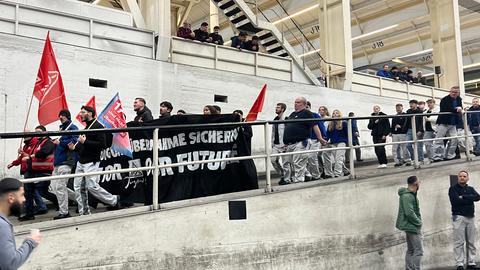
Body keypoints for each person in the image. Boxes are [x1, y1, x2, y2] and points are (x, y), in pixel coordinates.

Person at [68, 106, 120, 215]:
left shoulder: (98, 126)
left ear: (90, 113)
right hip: (81, 162)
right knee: (78, 187)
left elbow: (102, 145)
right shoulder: (86, 128)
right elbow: (83, 146)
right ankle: (84, 212)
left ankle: (114, 200)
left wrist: (85, 141)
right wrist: (75, 148)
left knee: (92, 186)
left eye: (83, 112)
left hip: (91, 161)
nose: (80, 114)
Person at [281, 97, 326, 185]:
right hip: (291, 144)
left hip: (301, 142)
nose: (295, 104)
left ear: (304, 104)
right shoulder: (292, 114)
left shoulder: (307, 112)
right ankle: (306, 175)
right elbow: (289, 128)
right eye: (295, 102)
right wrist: (286, 143)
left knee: (299, 163)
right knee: (289, 162)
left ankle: (299, 182)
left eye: (298, 102)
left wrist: (320, 138)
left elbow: (315, 125)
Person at [0, 178, 42, 269]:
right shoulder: (2, 225)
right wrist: (31, 242)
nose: (24, 199)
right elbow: (10, 265)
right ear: (11, 198)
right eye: (22, 195)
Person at [20, 125, 57, 221]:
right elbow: (32, 156)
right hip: (34, 171)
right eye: (35, 132)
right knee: (28, 192)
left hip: (44, 171)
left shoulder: (49, 142)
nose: (36, 133)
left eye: (38, 131)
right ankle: (29, 214)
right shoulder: (38, 143)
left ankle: (58, 203)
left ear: (44, 132)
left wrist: (30, 156)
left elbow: (43, 153)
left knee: (42, 191)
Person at [50, 110, 79, 220]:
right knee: (54, 187)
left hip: (66, 160)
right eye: (59, 115)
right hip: (58, 161)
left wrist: (60, 142)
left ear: (67, 116)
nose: (60, 117)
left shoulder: (73, 127)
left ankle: (64, 212)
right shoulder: (61, 129)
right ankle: (79, 198)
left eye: (62, 115)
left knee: (60, 187)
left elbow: (74, 141)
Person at [449, 170, 480, 270]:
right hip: (459, 217)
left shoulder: (470, 188)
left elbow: (477, 197)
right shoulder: (453, 189)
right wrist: (469, 199)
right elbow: (456, 201)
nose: (462, 178)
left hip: (471, 217)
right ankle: (459, 263)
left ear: (467, 178)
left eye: (464, 176)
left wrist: (464, 197)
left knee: (471, 241)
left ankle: (471, 262)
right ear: (458, 178)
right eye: (460, 176)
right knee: (459, 242)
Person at [396, 175, 423, 270]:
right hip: (412, 226)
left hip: (409, 225)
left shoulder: (409, 195)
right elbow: (409, 212)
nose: (420, 184)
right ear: (415, 184)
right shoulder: (407, 196)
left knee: (411, 250)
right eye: (419, 182)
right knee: (418, 251)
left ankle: (409, 268)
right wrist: (418, 222)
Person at [433, 86, 463, 161]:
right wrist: (456, 109)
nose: (453, 93)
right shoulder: (444, 99)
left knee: (454, 139)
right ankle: (437, 157)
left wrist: (460, 108)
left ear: (458, 93)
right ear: (450, 91)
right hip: (443, 122)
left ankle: (449, 155)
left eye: (455, 92)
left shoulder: (459, 99)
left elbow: (460, 107)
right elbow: (444, 109)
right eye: (452, 92)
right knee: (439, 139)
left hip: (452, 123)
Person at [304, 101, 325, 181]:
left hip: (314, 139)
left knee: (312, 157)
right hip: (305, 140)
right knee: (305, 158)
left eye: (307, 107)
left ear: (309, 107)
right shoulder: (301, 116)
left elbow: (321, 126)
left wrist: (323, 137)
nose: (306, 109)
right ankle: (310, 174)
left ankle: (316, 175)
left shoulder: (315, 115)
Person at [325, 110, 348, 178]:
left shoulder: (344, 123)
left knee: (339, 158)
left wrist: (349, 142)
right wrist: (325, 141)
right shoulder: (330, 124)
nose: (335, 114)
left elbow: (348, 133)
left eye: (337, 113)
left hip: (342, 142)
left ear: (339, 115)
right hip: (333, 142)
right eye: (333, 113)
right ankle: (346, 171)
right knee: (337, 159)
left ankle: (337, 174)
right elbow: (328, 134)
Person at [404, 100, 425, 164]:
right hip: (410, 129)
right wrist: (405, 129)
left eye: (412, 104)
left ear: (416, 104)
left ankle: (421, 160)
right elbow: (406, 121)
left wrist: (420, 130)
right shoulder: (408, 111)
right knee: (408, 145)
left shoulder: (420, 112)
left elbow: (422, 122)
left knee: (419, 145)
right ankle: (414, 158)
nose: (411, 105)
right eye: (410, 104)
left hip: (418, 130)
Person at [271, 103, 287, 183]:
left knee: (286, 162)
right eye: (276, 107)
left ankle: (287, 178)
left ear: (282, 109)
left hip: (284, 145)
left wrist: (287, 143)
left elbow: (287, 132)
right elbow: (273, 132)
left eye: (278, 107)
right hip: (276, 145)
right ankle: (282, 175)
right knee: (273, 160)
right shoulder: (275, 119)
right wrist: (272, 143)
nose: (276, 109)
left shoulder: (286, 119)